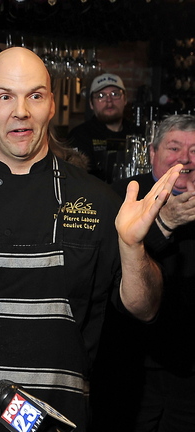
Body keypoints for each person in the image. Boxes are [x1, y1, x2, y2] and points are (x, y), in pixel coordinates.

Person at [0, 47, 181, 432]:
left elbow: (145, 309)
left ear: (51, 105)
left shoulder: (97, 201)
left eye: (34, 95)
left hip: (56, 421)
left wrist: (133, 248)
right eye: (5, 96)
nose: (20, 111)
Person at [92, 114, 195, 432]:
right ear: (152, 153)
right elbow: (107, 267)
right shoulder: (122, 194)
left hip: (188, 366)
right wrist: (162, 225)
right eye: (174, 148)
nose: (185, 160)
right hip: (129, 360)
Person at [67, 72, 137, 182]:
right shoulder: (80, 135)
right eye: (101, 96)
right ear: (91, 103)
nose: (109, 100)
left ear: (125, 99)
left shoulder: (137, 133)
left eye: (115, 94)